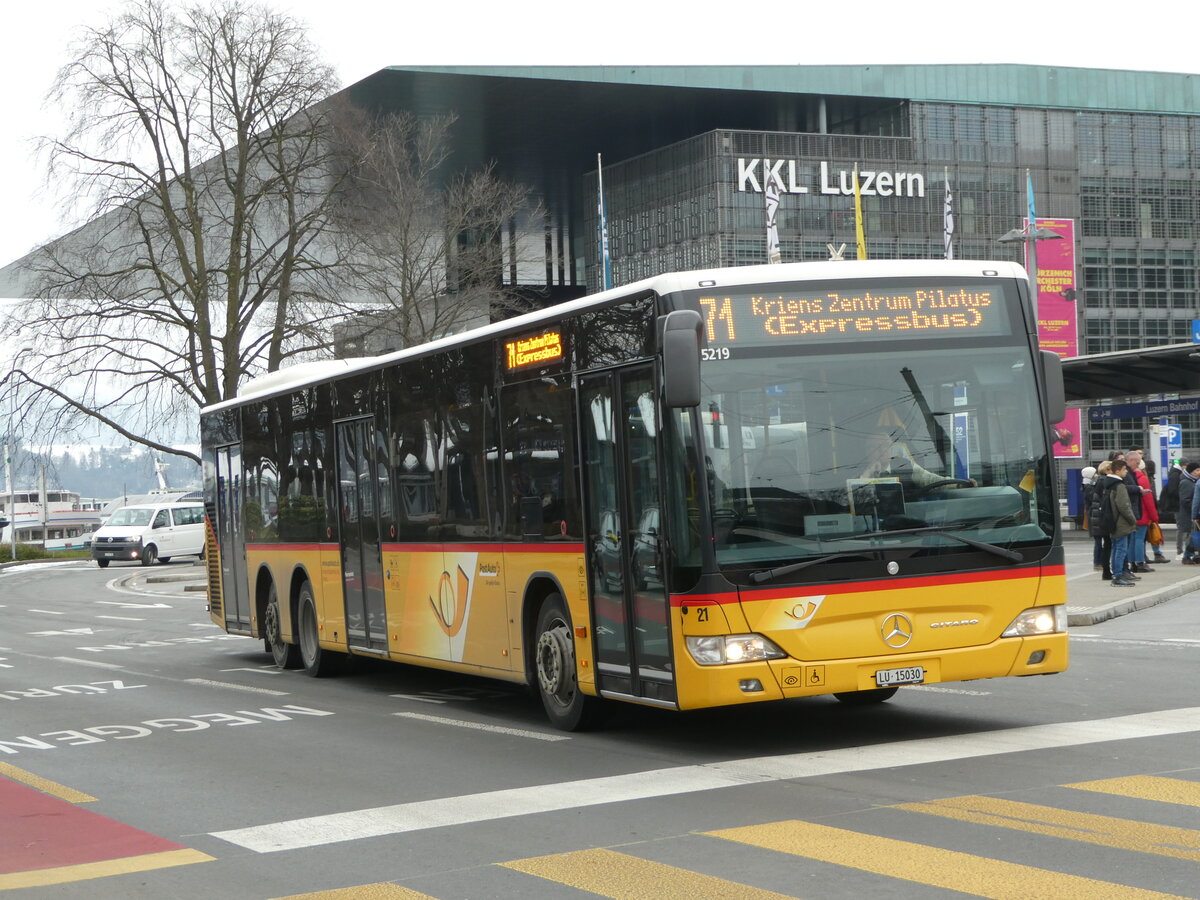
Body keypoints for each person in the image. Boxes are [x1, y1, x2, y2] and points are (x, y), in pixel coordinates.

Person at [1106, 458, 1138, 587]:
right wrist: (1132, 519)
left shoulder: (1107, 484)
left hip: (1112, 522)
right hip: (1121, 523)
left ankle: (1116, 574)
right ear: (1117, 471)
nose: (1126, 472)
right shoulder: (1119, 486)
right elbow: (1124, 506)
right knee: (1121, 549)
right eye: (1124, 470)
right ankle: (1118, 576)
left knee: (1115, 549)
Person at [1123, 449, 1152, 573]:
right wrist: (1138, 489)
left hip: (1134, 511)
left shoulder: (1131, 474)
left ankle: (1132, 563)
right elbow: (1149, 500)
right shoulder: (1138, 476)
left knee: (1132, 539)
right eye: (1137, 462)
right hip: (1138, 512)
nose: (1138, 464)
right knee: (1138, 539)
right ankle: (1138, 562)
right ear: (1131, 460)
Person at [1178, 461, 1200, 564]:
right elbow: (1185, 500)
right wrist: (1195, 510)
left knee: (1193, 536)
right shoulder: (1186, 482)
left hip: (1193, 513)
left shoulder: (1194, 481)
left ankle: (1193, 555)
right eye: (1197, 470)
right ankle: (1187, 555)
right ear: (1191, 472)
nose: (1199, 472)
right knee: (1192, 537)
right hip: (1188, 514)